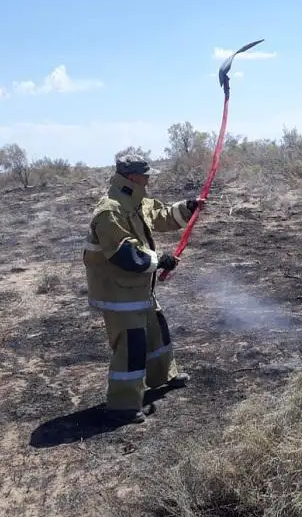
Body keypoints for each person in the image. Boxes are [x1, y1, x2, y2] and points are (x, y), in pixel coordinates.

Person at [82, 153, 205, 424]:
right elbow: (125, 254)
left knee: (156, 331)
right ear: (131, 176)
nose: (149, 178)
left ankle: (163, 376)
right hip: (119, 293)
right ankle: (123, 406)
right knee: (131, 345)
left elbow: (160, 215)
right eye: (146, 174)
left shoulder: (136, 199)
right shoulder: (110, 210)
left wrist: (188, 207)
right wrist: (159, 260)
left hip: (138, 289)